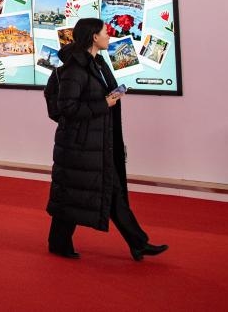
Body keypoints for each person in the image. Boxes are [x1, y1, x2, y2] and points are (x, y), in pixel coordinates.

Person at [46, 17, 168, 260]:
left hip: (97, 143)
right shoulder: (74, 70)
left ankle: (137, 243)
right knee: (79, 193)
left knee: (98, 193)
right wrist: (103, 103)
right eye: (105, 32)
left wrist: (111, 96)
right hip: (80, 146)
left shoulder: (98, 64)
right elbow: (67, 109)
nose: (108, 36)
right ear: (94, 37)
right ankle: (61, 243)